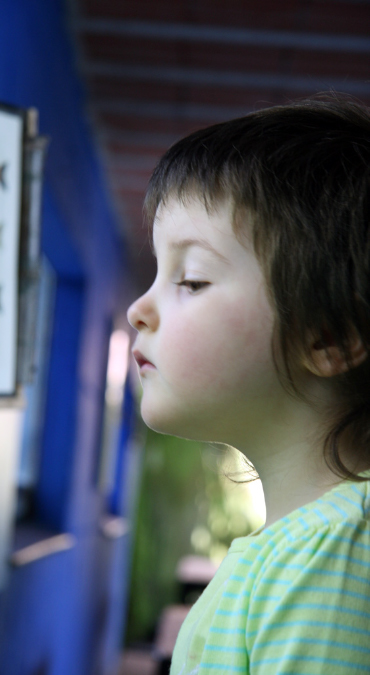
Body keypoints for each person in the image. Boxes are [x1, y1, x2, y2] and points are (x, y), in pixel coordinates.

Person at [127, 95, 370, 674]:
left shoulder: (329, 560)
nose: (139, 309)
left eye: (190, 279)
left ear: (328, 338)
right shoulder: (304, 548)